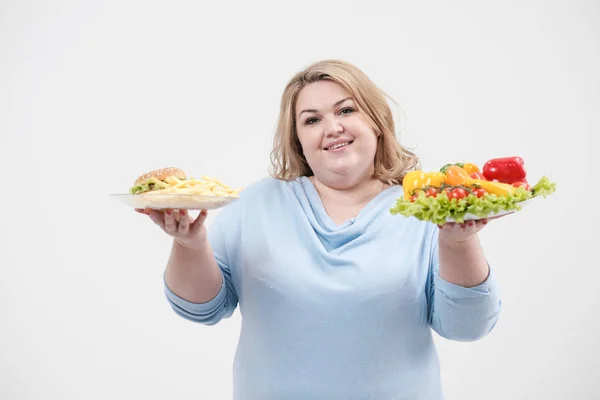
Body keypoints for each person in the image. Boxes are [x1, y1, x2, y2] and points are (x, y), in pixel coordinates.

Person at [137, 59, 502, 399]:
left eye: (346, 110)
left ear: (376, 121)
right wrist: (190, 243)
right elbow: (200, 309)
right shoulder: (257, 204)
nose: (332, 128)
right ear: (297, 139)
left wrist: (459, 240)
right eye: (311, 120)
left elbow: (467, 327)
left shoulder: (425, 207)